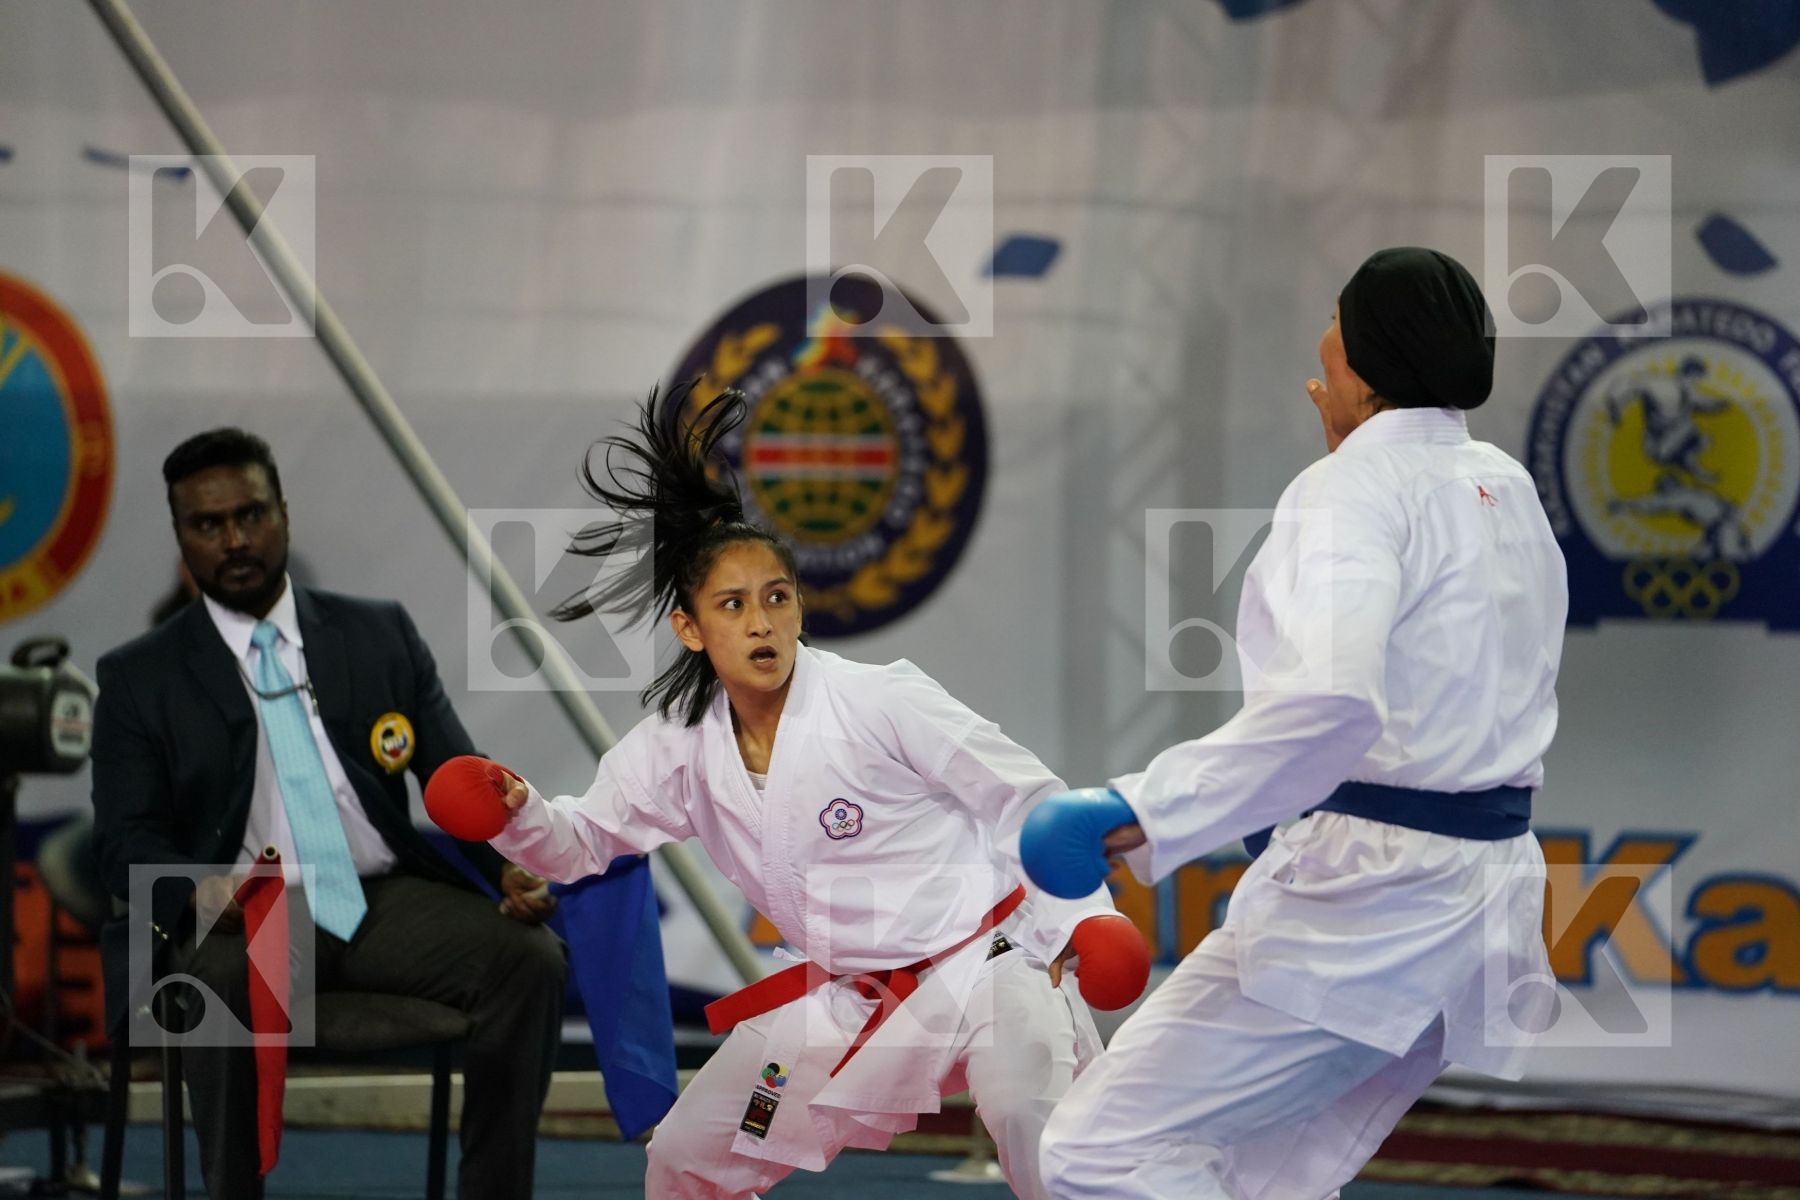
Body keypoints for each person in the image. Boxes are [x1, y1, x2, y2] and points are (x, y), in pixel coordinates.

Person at [484, 382, 1135, 1199]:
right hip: (842, 994)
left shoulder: (881, 698)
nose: (761, 623)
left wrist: (1088, 919)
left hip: (988, 963)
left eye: (777, 599)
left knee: (1044, 1135)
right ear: (690, 628)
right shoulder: (679, 746)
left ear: (798, 607)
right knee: (687, 1158)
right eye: (733, 605)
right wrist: (518, 814)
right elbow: (582, 842)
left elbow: (1028, 800)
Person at [1025, 247, 1568, 1199]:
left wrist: (1137, 810)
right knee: (1260, 1179)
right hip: (1481, 900)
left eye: (1334, 316)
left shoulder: (1350, 490)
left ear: (1358, 361)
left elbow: (1331, 704)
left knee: (1096, 1152)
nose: (1320, 334)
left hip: (1370, 907)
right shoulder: (1504, 486)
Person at [89, 428, 567, 1200]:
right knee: (213, 982)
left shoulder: (379, 633)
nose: (236, 539)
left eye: (251, 514)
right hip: (246, 915)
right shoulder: (140, 677)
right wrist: (195, 890)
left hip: (379, 900)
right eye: (208, 525)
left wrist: (507, 864)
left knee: (530, 960)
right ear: (182, 539)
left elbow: (456, 777)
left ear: (284, 511)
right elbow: (123, 839)